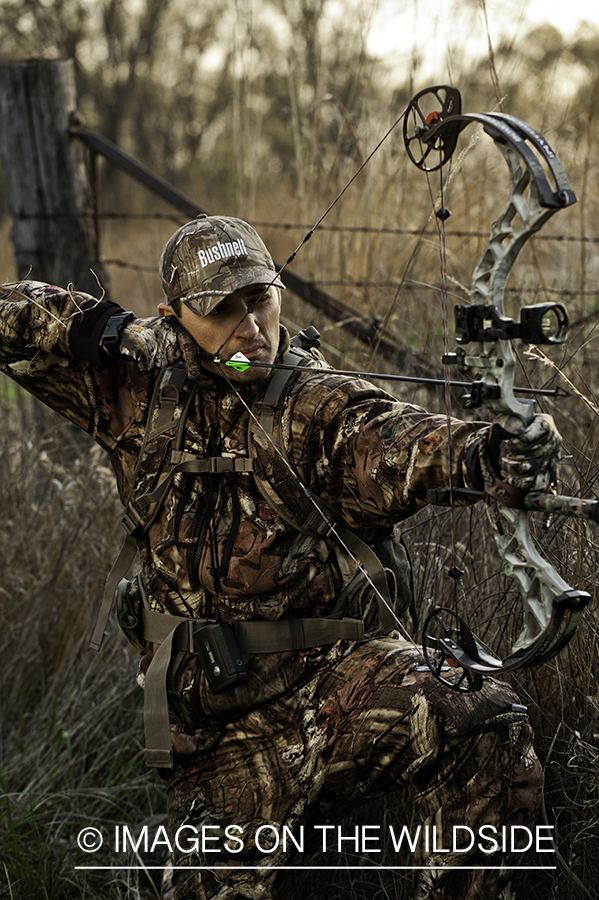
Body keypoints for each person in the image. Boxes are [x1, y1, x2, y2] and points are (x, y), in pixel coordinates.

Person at [0, 215, 559, 900]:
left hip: (333, 697)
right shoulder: (134, 390)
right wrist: (107, 331)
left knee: (480, 714)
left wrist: (487, 454)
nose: (250, 328)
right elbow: (7, 319)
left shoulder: (315, 405)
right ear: (171, 318)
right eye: (221, 311)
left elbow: (393, 439)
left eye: (259, 299)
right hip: (213, 741)